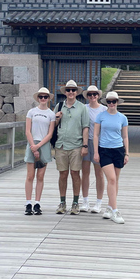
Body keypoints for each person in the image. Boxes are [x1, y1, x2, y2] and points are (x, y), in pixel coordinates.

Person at [54, 80, 89, 215]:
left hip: (76, 145)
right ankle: (62, 202)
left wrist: (85, 145)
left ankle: (75, 202)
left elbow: (85, 127)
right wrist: (57, 118)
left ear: (77, 92)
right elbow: (53, 125)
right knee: (62, 174)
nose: (70, 92)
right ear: (65, 92)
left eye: (73, 90)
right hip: (61, 145)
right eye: (68, 90)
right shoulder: (59, 106)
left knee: (75, 173)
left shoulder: (82, 107)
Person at [94, 91, 129, 224]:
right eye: (109, 101)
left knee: (115, 181)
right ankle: (115, 210)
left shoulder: (123, 118)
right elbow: (96, 135)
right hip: (104, 150)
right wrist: (96, 152)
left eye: (114, 101)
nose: (111, 104)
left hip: (118, 150)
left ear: (117, 102)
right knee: (112, 178)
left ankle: (109, 207)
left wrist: (127, 153)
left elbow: (125, 136)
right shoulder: (100, 116)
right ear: (106, 103)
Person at [24, 87, 55, 216]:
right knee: (30, 176)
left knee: (40, 176)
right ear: (38, 98)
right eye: (41, 97)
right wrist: (33, 145)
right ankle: (28, 203)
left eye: (45, 97)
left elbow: (50, 133)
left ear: (48, 99)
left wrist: (39, 146)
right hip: (32, 143)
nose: (43, 99)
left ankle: (37, 202)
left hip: (44, 145)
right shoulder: (31, 112)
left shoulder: (51, 114)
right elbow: (27, 130)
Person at [80, 85, 106, 213]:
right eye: (90, 94)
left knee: (99, 173)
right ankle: (85, 201)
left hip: (100, 143)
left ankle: (98, 202)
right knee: (85, 172)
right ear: (87, 96)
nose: (92, 97)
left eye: (94, 94)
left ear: (98, 95)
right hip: (86, 142)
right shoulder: (84, 108)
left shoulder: (104, 109)